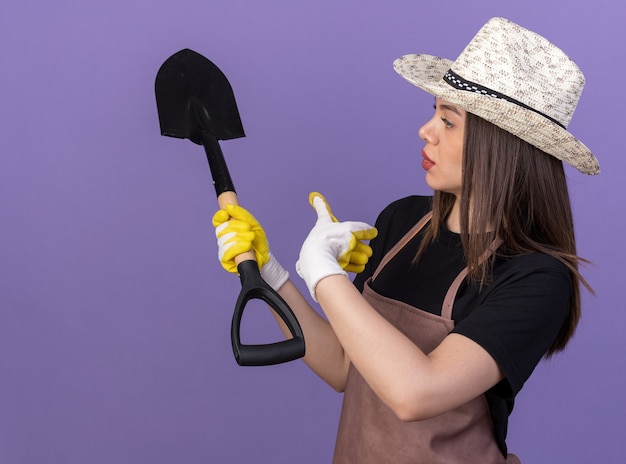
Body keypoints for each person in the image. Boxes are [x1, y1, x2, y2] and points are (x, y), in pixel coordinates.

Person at [212, 17, 599, 464]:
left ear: (502, 146)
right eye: (434, 112)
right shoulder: (402, 222)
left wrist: (323, 272)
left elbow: (416, 391)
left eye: (448, 121)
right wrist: (274, 274)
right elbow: (343, 366)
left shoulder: (536, 278)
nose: (426, 130)